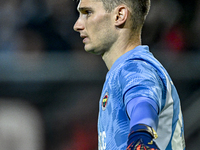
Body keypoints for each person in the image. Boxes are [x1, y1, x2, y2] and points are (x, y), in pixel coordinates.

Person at [73, 0, 185, 149]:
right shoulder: (120, 72)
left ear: (119, 16)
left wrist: (141, 134)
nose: (77, 25)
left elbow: (142, 103)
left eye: (88, 13)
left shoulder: (135, 68)